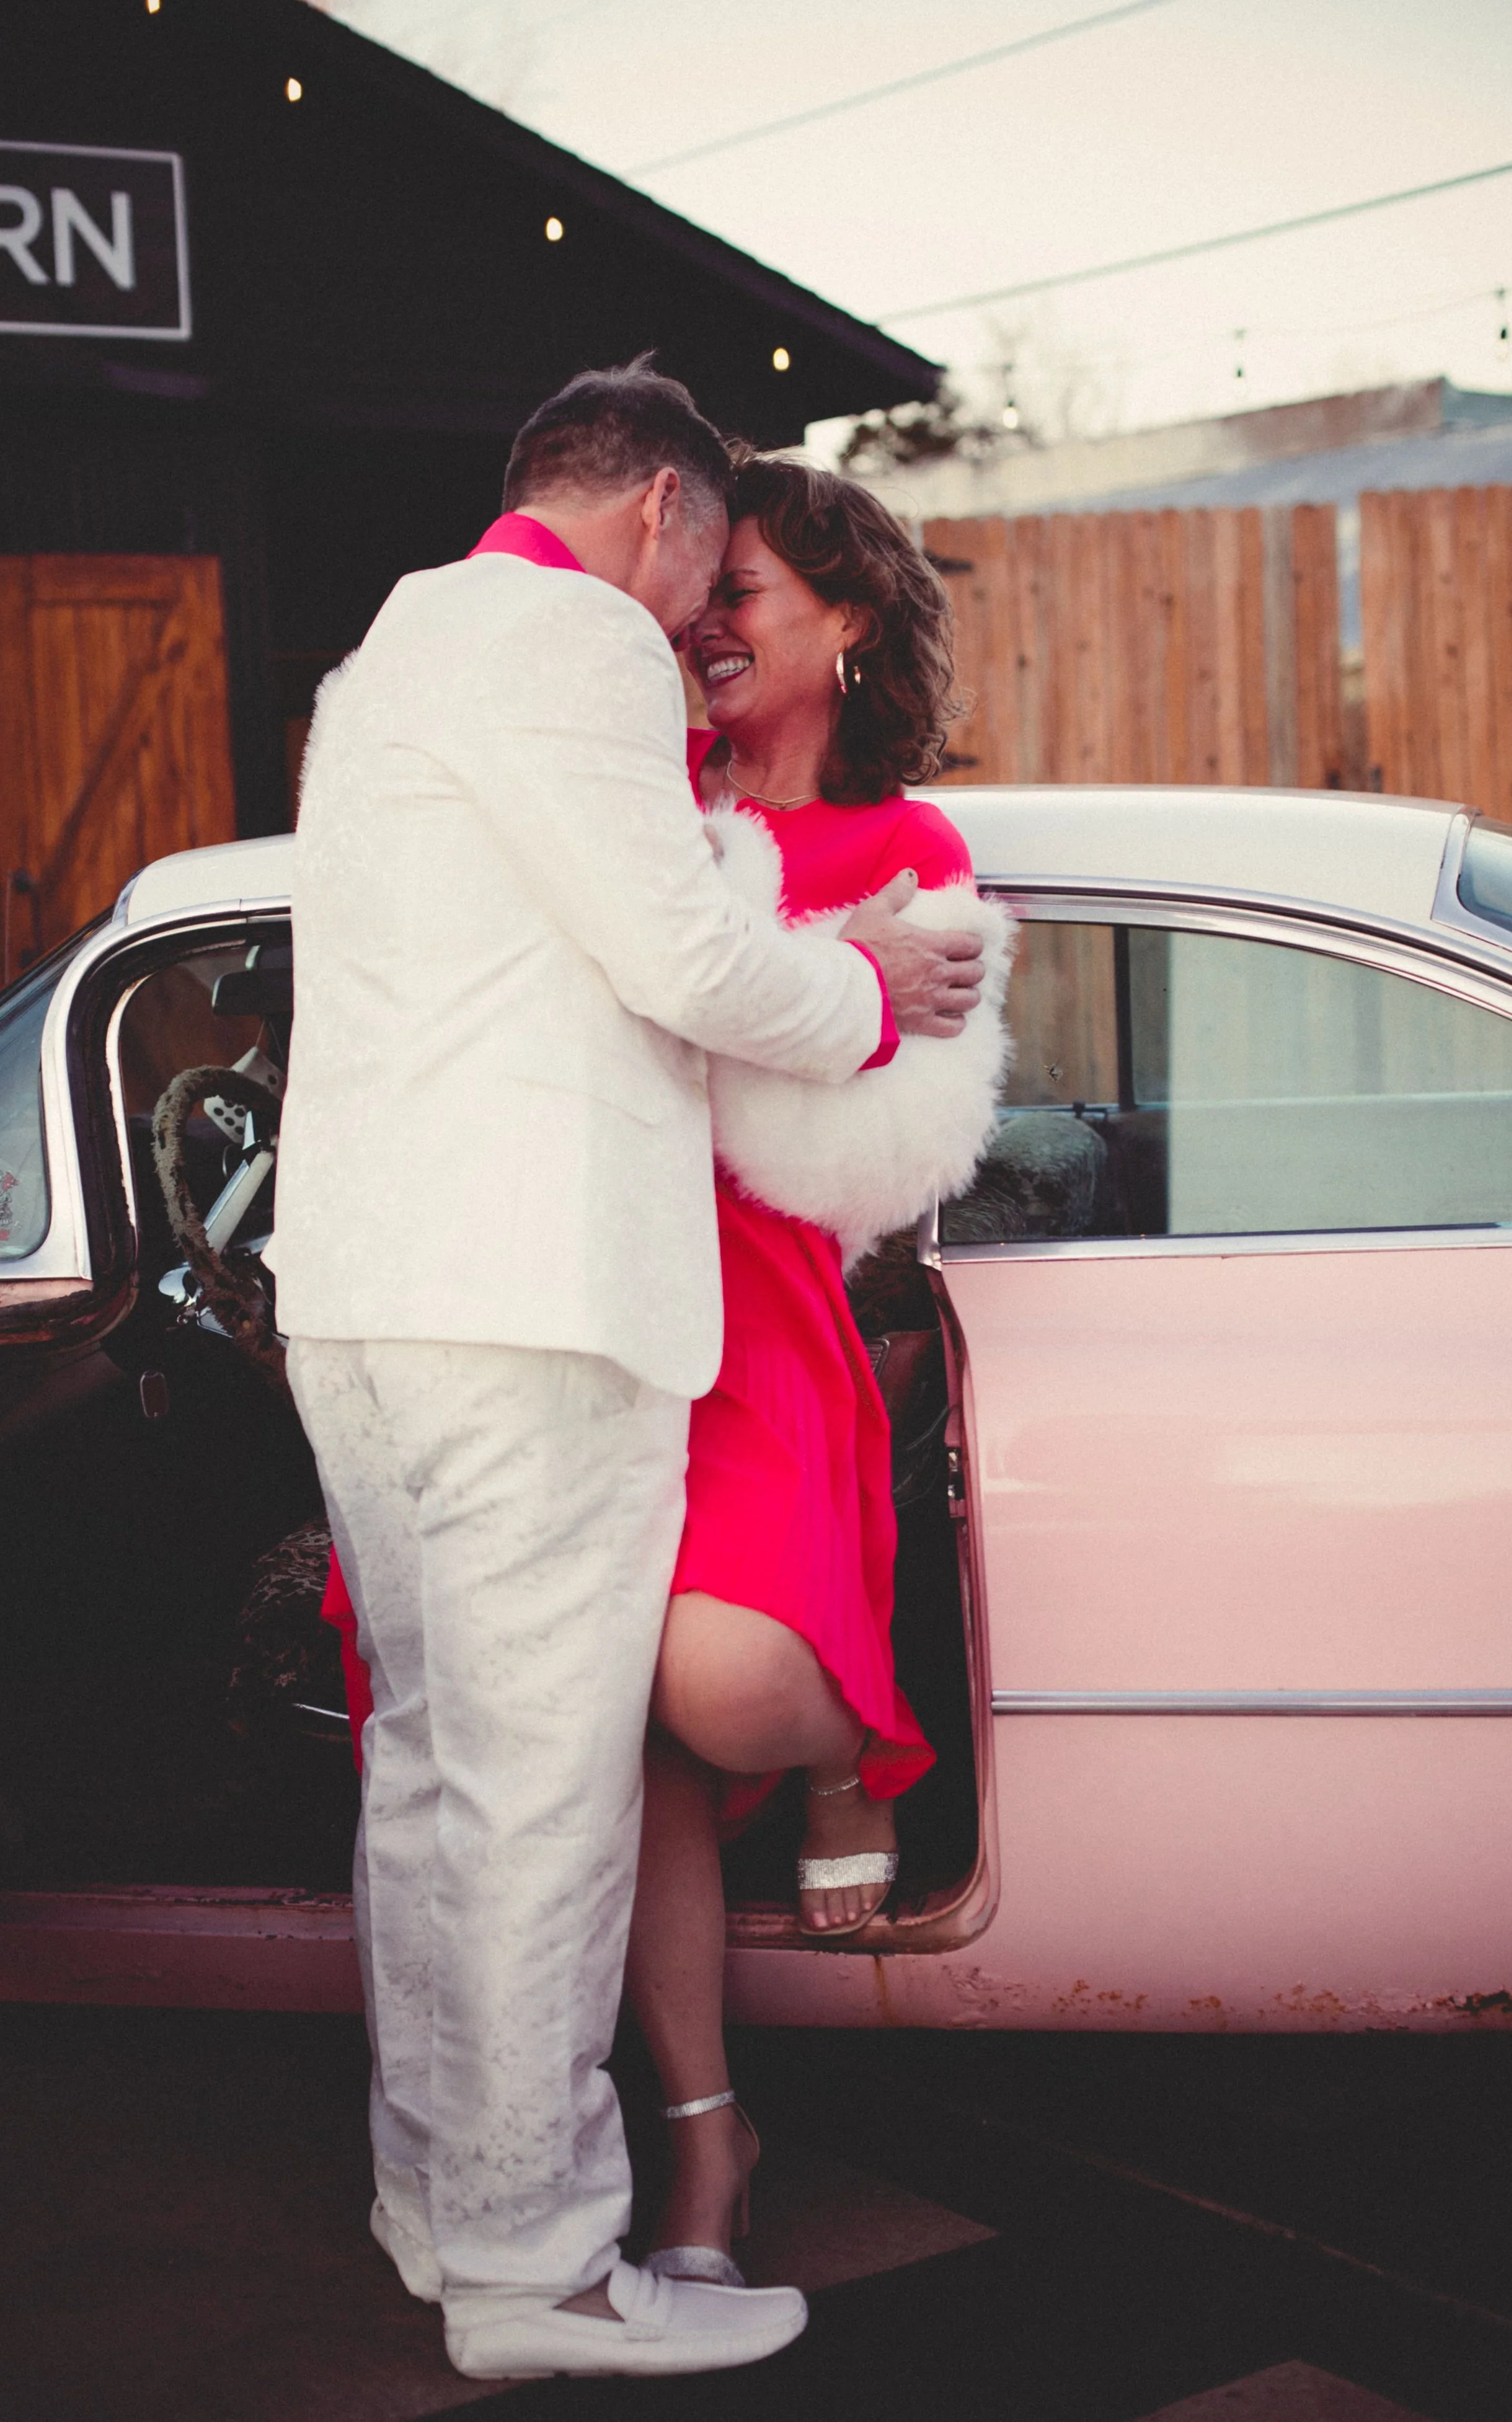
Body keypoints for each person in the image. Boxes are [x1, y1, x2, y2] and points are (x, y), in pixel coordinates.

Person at [267, 362, 985, 2383]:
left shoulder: (400, 643)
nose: (696, 628)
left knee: (427, 1777)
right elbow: (683, 956)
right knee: (537, 1802)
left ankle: (436, 2202)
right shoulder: (578, 636)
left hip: (366, 1300)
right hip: (535, 1308)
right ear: (663, 508)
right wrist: (871, 983)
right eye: (701, 572)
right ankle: (541, 2265)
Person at [613, 455, 993, 2289]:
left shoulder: (913, 857)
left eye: (744, 591)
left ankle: (847, 1758)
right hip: (586, 1289)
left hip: (759, 1307)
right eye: (697, 593)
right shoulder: (634, 806)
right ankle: (702, 2129)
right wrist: (807, 977)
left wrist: (781, 974)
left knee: (727, 1676)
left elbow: (880, 1163)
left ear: (846, 617)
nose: (707, 625)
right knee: (613, 1727)